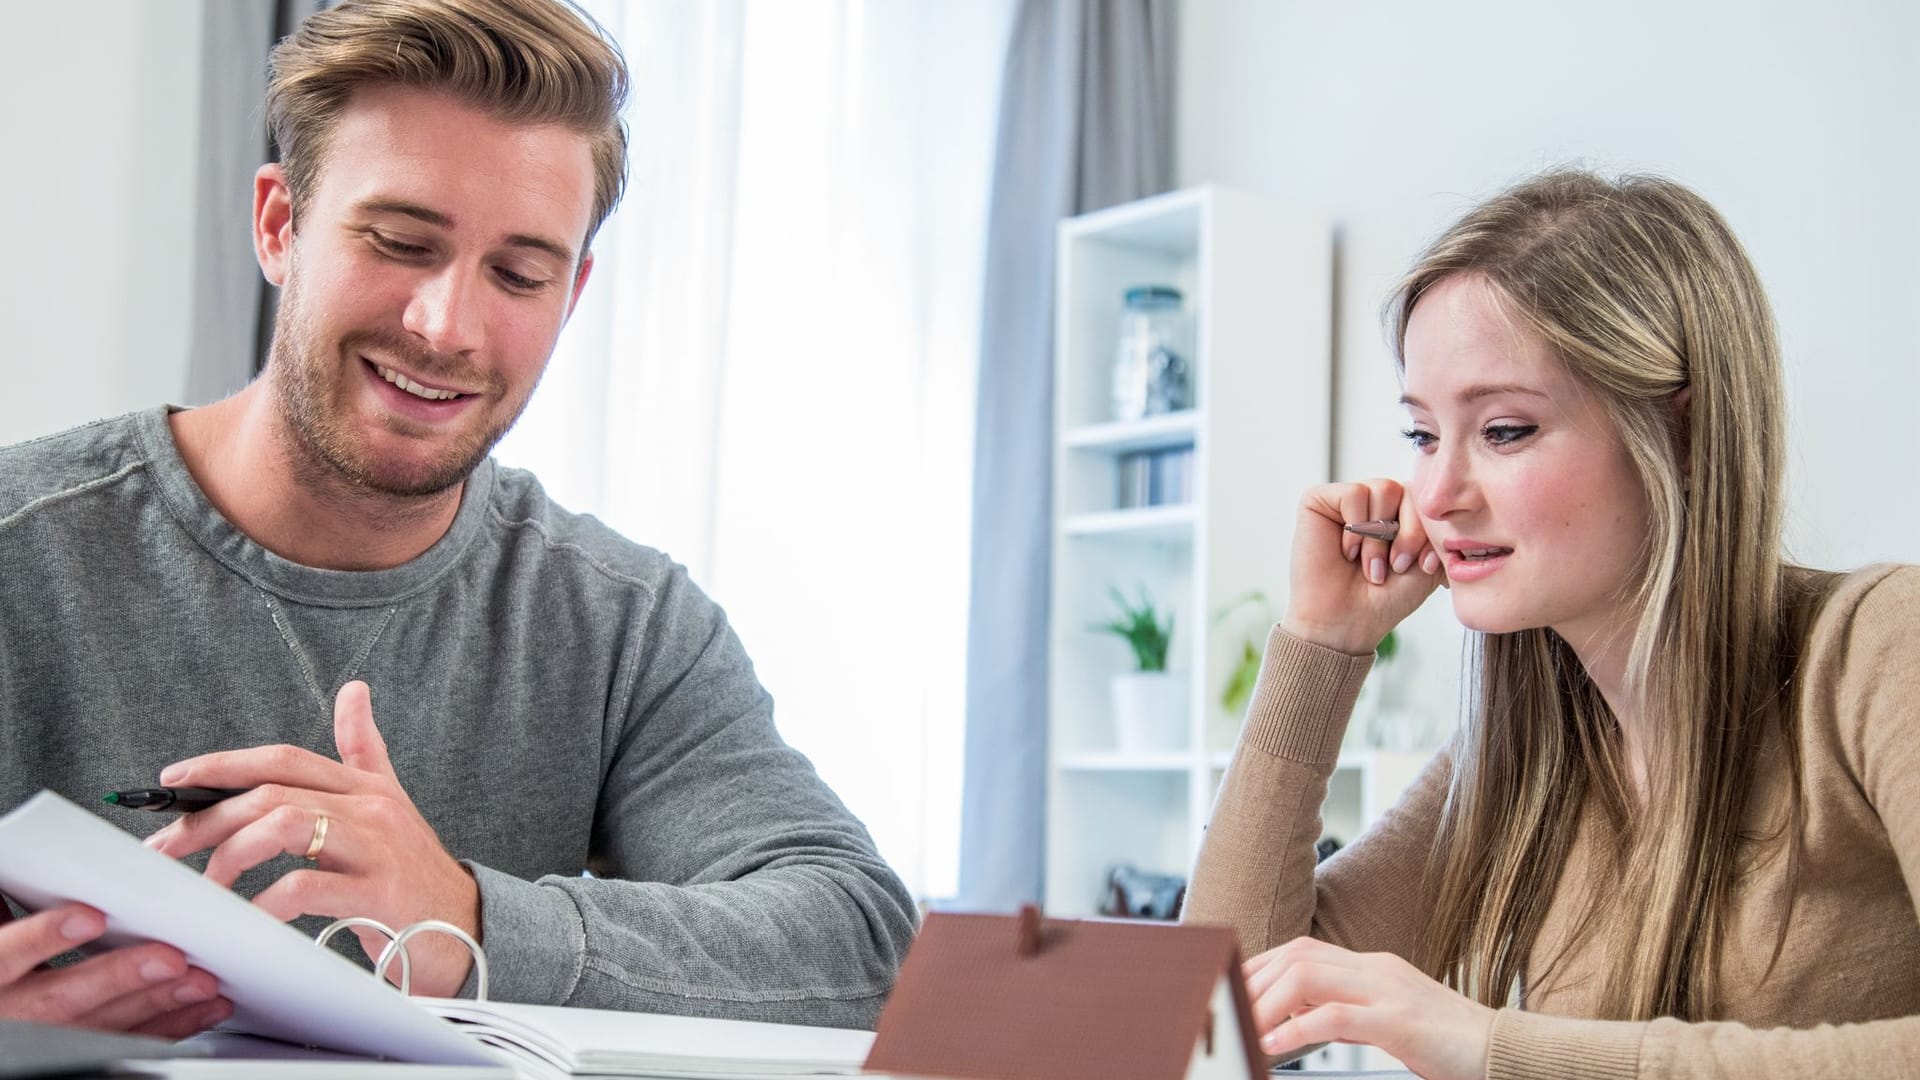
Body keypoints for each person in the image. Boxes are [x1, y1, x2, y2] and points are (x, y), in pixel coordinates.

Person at [0, 0, 915, 1040]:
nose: (446, 328)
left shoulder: (621, 623)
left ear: (571, 298)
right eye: (399, 241)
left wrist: (466, 920)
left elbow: (857, 945)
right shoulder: (20, 549)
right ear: (277, 227)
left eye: (521, 275)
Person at [1183, 169, 1919, 1079]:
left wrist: (1494, 1048)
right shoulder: (1517, 752)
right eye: (1422, 435)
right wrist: (1319, 648)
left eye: (1503, 431)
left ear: (1682, 437)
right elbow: (1228, 1000)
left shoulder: (1880, 648)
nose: (1438, 494)